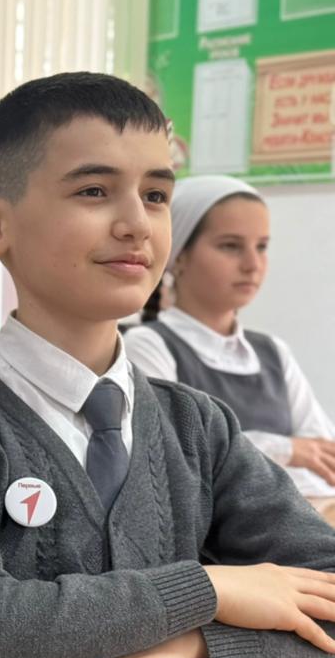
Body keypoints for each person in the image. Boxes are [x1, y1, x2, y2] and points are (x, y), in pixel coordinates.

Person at [0, 71, 335, 658]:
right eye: (94, 191)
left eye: (156, 195)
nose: (137, 224)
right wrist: (209, 589)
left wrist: (198, 644)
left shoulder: (198, 426)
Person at [125, 176, 335, 497]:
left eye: (261, 247)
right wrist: (286, 450)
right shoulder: (147, 345)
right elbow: (175, 460)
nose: (252, 264)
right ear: (178, 256)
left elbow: (322, 457)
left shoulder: (272, 351)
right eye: (231, 246)